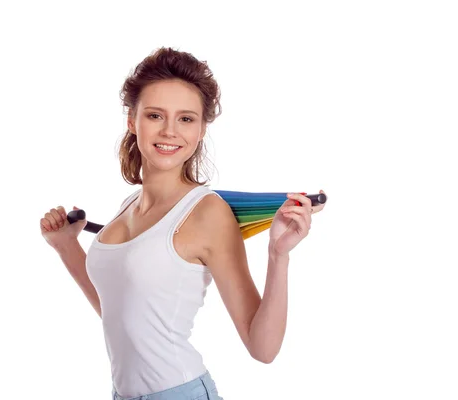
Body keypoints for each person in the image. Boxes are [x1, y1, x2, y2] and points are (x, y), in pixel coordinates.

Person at [40, 47, 326, 400]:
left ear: (202, 128)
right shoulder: (127, 207)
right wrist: (66, 245)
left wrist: (278, 255)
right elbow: (120, 311)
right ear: (133, 120)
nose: (170, 131)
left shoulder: (208, 213)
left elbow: (262, 348)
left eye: (186, 119)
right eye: (156, 115)